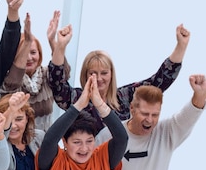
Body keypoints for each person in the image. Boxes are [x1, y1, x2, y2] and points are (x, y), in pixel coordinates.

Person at [48, 22, 190, 133]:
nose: (99, 78)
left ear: (111, 74)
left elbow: (159, 81)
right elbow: (57, 84)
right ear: (85, 74)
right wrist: (60, 46)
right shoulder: (76, 98)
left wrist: (181, 46)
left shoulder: (125, 96)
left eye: (104, 73)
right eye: (93, 73)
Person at [0, 11, 60, 132]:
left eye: (33, 52)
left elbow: (62, 73)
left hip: (43, 143)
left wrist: (53, 41)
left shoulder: (46, 74)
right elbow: (13, 81)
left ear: (40, 54)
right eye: (24, 52)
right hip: (18, 143)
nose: (29, 58)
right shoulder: (9, 79)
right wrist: (27, 41)